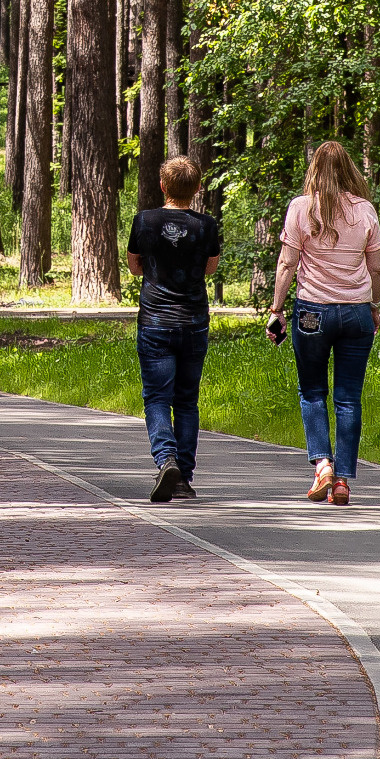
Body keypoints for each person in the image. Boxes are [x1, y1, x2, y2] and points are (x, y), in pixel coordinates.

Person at [269, 139, 380, 506]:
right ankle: (343, 482)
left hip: (312, 312)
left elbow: (287, 264)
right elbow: (376, 267)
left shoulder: (301, 208)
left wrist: (276, 310)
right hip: (355, 311)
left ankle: (322, 465)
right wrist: (375, 305)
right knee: (349, 398)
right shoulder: (365, 210)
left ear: (314, 169)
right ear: (349, 169)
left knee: (312, 391)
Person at [126, 153, 223, 503]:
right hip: (194, 322)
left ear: (163, 185)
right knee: (186, 400)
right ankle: (183, 477)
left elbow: (135, 266)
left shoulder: (144, 220)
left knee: (156, 397)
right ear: (198, 188)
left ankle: (166, 459)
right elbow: (210, 268)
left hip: (155, 322)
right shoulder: (206, 225)